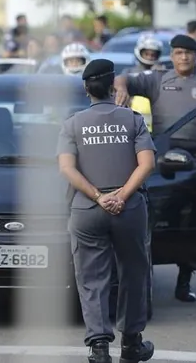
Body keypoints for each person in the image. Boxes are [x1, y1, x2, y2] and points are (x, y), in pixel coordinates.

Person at [114, 34, 196, 303]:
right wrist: (121, 87)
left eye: (188, 53)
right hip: (164, 158)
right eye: (178, 53)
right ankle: (159, 278)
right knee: (165, 219)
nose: (183, 57)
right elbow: (124, 79)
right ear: (172, 55)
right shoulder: (158, 78)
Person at [57, 58, 156, 363]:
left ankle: (99, 347)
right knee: (134, 274)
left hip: (87, 209)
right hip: (129, 209)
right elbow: (147, 164)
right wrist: (122, 196)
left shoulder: (72, 123)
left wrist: (99, 197)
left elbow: (67, 169)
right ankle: (131, 342)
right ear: (113, 85)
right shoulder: (133, 120)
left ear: (86, 88)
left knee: (91, 278)